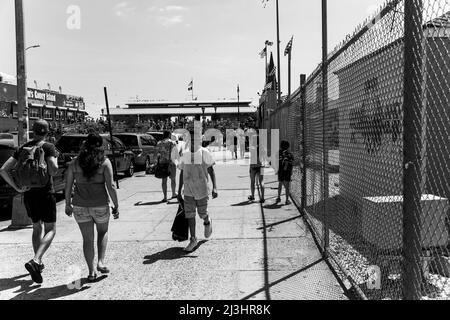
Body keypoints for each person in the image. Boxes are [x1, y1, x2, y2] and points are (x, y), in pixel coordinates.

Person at [0, 120, 59, 284]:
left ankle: (37, 264)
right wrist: (54, 160)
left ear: (33, 131)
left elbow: (3, 170)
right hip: (46, 193)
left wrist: (17, 188)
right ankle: (36, 260)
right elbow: (53, 170)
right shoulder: (48, 147)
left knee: (36, 227)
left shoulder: (22, 148)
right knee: (51, 229)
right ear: (47, 132)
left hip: (28, 194)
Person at [64, 133, 119, 282]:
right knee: (103, 231)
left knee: (87, 239)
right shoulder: (105, 162)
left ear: (85, 144)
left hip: (80, 206)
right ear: (100, 145)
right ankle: (101, 262)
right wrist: (116, 205)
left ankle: (91, 271)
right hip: (100, 205)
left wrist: (67, 204)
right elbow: (111, 186)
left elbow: (68, 186)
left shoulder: (74, 163)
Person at [177, 123, 218, 252]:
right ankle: (193, 239)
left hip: (201, 189)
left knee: (202, 213)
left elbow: (211, 170)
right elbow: (182, 172)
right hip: (188, 190)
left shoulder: (204, 152)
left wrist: (215, 187)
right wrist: (179, 191)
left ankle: (207, 221)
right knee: (190, 214)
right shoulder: (185, 153)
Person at [155, 131, 177, 202]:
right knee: (173, 179)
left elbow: (156, 154)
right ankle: (173, 194)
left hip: (162, 164)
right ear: (169, 135)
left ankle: (165, 197)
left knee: (164, 181)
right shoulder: (172, 143)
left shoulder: (159, 143)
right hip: (171, 163)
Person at [248, 129, 265, 203]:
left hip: (253, 166)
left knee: (252, 182)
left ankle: (252, 196)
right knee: (261, 181)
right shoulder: (262, 148)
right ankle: (262, 197)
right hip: (260, 165)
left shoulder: (251, 148)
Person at [276, 140, 294, 205]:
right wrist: (288, 169)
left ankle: (278, 197)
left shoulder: (278, 153)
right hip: (287, 171)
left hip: (280, 170)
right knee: (287, 186)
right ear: (288, 146)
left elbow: (276, 161)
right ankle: (286, 200)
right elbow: (290, 162)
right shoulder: (289, 153)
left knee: (280, 183)